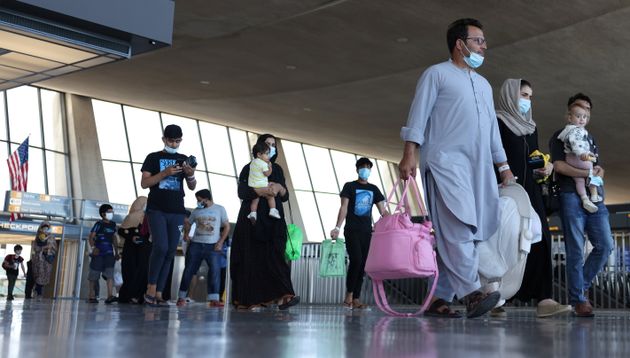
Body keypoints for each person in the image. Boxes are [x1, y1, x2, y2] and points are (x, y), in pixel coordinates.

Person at [398, 18, 515, 318]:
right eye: (478, 40)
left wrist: (503, 167)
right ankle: (472, 294)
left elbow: (492, 132)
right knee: (458, 227)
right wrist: (409, 154)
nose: (484, 46)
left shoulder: (485, 85)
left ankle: (439, 297)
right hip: (444, 163)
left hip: (478, 169)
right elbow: (418, 115)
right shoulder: (436, 75)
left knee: (470, 233)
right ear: (460, 44)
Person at [494, 78, 572, 317]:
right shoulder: (497, 122)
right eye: (523, 95)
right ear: (510, 95)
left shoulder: (531, 127)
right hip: (506, 190)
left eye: (529, 96)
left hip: (531, 190)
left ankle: (544, 298)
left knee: (541, 239)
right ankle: (497, 297)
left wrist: (544, 168)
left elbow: (531, 158)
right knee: (505, 241)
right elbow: (491, 155)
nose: (527, 100)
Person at [549, 93, 613, 317]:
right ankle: (578, 300)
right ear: (569, 112)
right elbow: (559, 166)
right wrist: (585, 173)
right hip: (570, 196)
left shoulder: (590, 137)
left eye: (587, 111)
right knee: (575, 249)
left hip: (596, 196)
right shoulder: (560, 135)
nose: (582, 114)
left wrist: (596, 173)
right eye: (579, 110)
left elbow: (599, 167)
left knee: (605, 245)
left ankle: (580, 286)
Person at [230, 134, 299, 310]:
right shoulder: (249, 167)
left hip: (274, 218)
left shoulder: (277, 169)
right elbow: (242, 191)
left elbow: (285, 196)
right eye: (267, 145)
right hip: (253, 218)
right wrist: (261, 191)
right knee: (250, 257)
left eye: (273, 145)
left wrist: (279, 188)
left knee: (276, 254)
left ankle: (284, 295)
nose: (270, 148)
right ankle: (249, 299)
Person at [141, 124, 197, 306]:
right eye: (171, 141)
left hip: (177, 210)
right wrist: (165, 173)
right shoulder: (153, 157)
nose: (174, 144)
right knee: (161, 247)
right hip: (157, 208)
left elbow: (192, 186)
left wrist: (190, 174)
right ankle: (151, 286)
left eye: (177, 141)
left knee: (171, 251)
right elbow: (145, 183)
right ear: (164, 139)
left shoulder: (183, 159)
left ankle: (159, 292)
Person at [330, 157, 387, 309]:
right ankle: (349, 293)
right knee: (356, 259)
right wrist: (337, 228)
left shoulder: (374, 189)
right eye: (362, 167)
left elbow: (383, 211)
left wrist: (396, 221)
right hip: (351, 230)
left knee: (362, 264)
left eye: (368, 167)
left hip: (367, 231)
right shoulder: (350, 186)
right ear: (357, 169)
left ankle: (356, 298)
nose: (365, 170)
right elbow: (344, 207)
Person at [177, 189, 230, 307]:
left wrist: (221, 242)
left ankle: (214, 299)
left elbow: (226, 226)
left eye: (200, 200)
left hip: (213, 245)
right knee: (189, 270)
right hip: (196, 244)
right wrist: (186, 234)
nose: (198, 202)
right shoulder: (196, 211)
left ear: (207, 199)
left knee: (215, 271)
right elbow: (188, 223)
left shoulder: (220, 209)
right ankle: (181, 297)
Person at [556, 103, 602, 213]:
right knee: (592, 173)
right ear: (570, 118)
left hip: (570, 159)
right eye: (578, 116)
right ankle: (594, 195)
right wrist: (582, 154)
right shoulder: (577, 130)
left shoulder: (567, 130)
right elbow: (576, 144)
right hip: (579, 158)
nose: (582, 119)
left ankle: (585, 199)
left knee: (579, 181)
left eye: (584, 117)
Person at [117, 196, 151, 304]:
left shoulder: (149, 217)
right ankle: (131, 296)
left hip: (140, 250)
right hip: (134, 250)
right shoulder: (131, 217)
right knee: (131, 272)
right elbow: (122, 231)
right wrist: (132, 236)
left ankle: (136, 296)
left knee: (138, 272)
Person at [87, 204, 120, 304]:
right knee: (94, 275)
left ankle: (110, 296)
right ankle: (91, 296)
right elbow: (91, 236)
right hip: (98, 253)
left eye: (112, 212)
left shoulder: (113, 225)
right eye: (109, 212)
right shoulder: (98, 224)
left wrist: (116, 252)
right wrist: (93, 248)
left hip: (109, 253)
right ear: (103, 214)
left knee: (110, 275)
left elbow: (114, 238)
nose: (111, 214)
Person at [247, 143, 281, 222]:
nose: (268, 156)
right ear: (259, 154)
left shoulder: (252, 162)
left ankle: (253, 213)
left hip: (253, 186)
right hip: (262, 186)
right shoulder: (263, 164)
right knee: (270, 197)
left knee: (255, 201)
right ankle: (273, 210)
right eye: (267, 154)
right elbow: (267, 174)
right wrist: (270, 168)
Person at [31, 222, 57, 297]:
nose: (45, 230)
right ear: (41, 229)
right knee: (39, 275)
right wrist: (42, 248)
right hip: (39, 260)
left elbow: (54, 247)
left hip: (47, 260)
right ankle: (38, 292)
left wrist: (48, 249)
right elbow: (35, 247)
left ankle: (38, 290)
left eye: (47, 229)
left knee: (44, 275)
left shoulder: (51, 237)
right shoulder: (38, 237)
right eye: (43, 228)